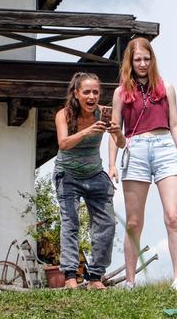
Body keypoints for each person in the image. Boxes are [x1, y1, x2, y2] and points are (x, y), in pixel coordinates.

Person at [108, 37, 177, 291]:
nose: (143, 64)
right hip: (135, 151)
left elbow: (176, 124)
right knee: (134, 221)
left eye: (147, 59)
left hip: (165, 147)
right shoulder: (121, 92)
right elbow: (115, 131)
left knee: (173, 216)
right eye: (138, 60)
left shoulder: (166, 87)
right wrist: (112, 163)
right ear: (130, 62)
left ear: (152, 59)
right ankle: (131, 281)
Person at [53, 72, 125, 289]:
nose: (92, 96)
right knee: (70, 223)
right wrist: (87, 131)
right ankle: (70, 277)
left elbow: (121, 143)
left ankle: (95, 277)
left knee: (107, 223)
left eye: (95, 91)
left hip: (95, 174)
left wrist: (116, 131)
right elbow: (63, 143)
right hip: (68, 175)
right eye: (87, 92)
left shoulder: (104, 113)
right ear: (76, 94)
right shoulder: (64, 115)